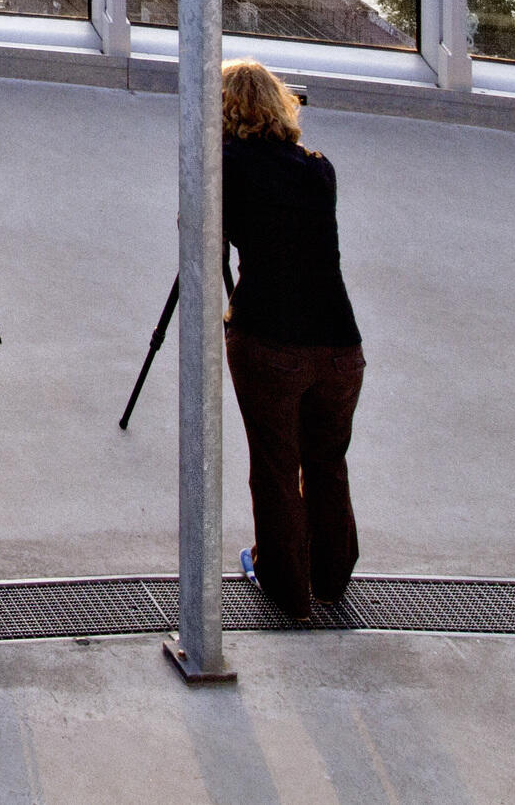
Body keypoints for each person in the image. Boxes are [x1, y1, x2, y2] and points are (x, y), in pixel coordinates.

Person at [223, 58, 363, 619]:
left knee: (276, 463)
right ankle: (331, 578)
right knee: (327, 460)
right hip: (340, 345)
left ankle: (286, 587)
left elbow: (215, 237)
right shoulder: (319, 167)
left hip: (269, 339)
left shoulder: (225, 165)